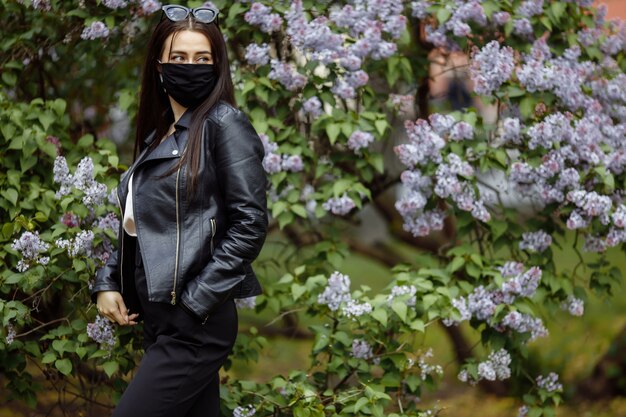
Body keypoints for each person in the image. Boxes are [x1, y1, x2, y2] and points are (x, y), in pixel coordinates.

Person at [91, 4, 268, 416]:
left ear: (217, 66)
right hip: (160, 319)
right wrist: (108, 280)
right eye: (179, 58)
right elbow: (140, 226)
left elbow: (250, 224)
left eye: (202, 59)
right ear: (159, 66)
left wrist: (194, 303)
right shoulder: (159, 137)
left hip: (195, 324)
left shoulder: (225, 126)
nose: (191, 67)